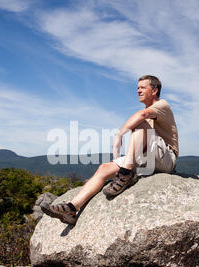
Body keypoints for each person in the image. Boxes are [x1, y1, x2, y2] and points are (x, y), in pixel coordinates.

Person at [41, 75, 179, 224]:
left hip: (166, 159)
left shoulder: (162, 105)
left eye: (142, 88)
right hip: (147, 158)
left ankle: (126, 174)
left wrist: (119, 134)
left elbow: (142, 115)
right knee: (103, 168)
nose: (138, 91)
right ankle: (72, 208)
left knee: (139, 123)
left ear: (154, 90)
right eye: (137, 88)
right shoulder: (148, 110)